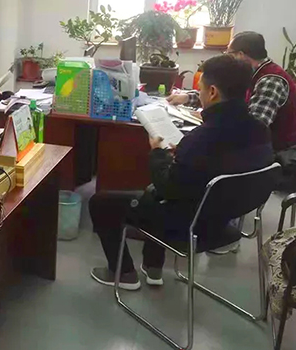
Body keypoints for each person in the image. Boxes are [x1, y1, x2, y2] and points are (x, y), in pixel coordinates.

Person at [89, 55, 274, 290]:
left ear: (213, 92)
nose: (201, 95)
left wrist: (158, 153)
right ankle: (152, 267)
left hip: (190, 224)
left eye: (201, 89)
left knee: (102, 202)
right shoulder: (260, 130)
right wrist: (182, 157)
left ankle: (123, 273)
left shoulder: (202, 138)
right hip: (223, 217)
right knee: (154, 193)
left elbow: (168, 187)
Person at [168, 31, 296, 151]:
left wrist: (211, 118)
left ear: (240, 55)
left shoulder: (270, 80)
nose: (226, 58)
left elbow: (253, 127)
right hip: (248, 145)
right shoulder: (248, 73)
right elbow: (224, 93)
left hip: (270, 152)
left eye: (228, 54)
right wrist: (187, 98)